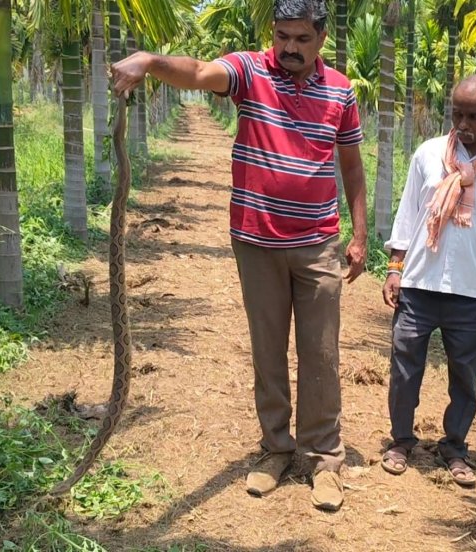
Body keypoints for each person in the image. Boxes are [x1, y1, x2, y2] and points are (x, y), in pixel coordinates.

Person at [111, 0, 367, 511]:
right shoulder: (250, 71)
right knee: (267, 348)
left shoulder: (341, 90)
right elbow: (202, 73)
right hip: (256, 240)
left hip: (317, 243)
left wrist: (360, 234)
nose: (289, 48)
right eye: (282, 36)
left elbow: (353, 167)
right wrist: (150, 61)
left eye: (300, 38)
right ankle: (275, 449)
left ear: (320, 38)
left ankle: (323, 459)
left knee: (321, 354)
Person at [379, 75, 476, 487]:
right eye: (457, 114)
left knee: (464, 376)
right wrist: (395, 269)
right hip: (418, 284)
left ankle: (454, 447)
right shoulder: (428, 155)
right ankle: (400, 441)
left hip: (469, 294)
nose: (463, 124)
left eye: (474, 116)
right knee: (404, 368)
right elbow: (408, 215)